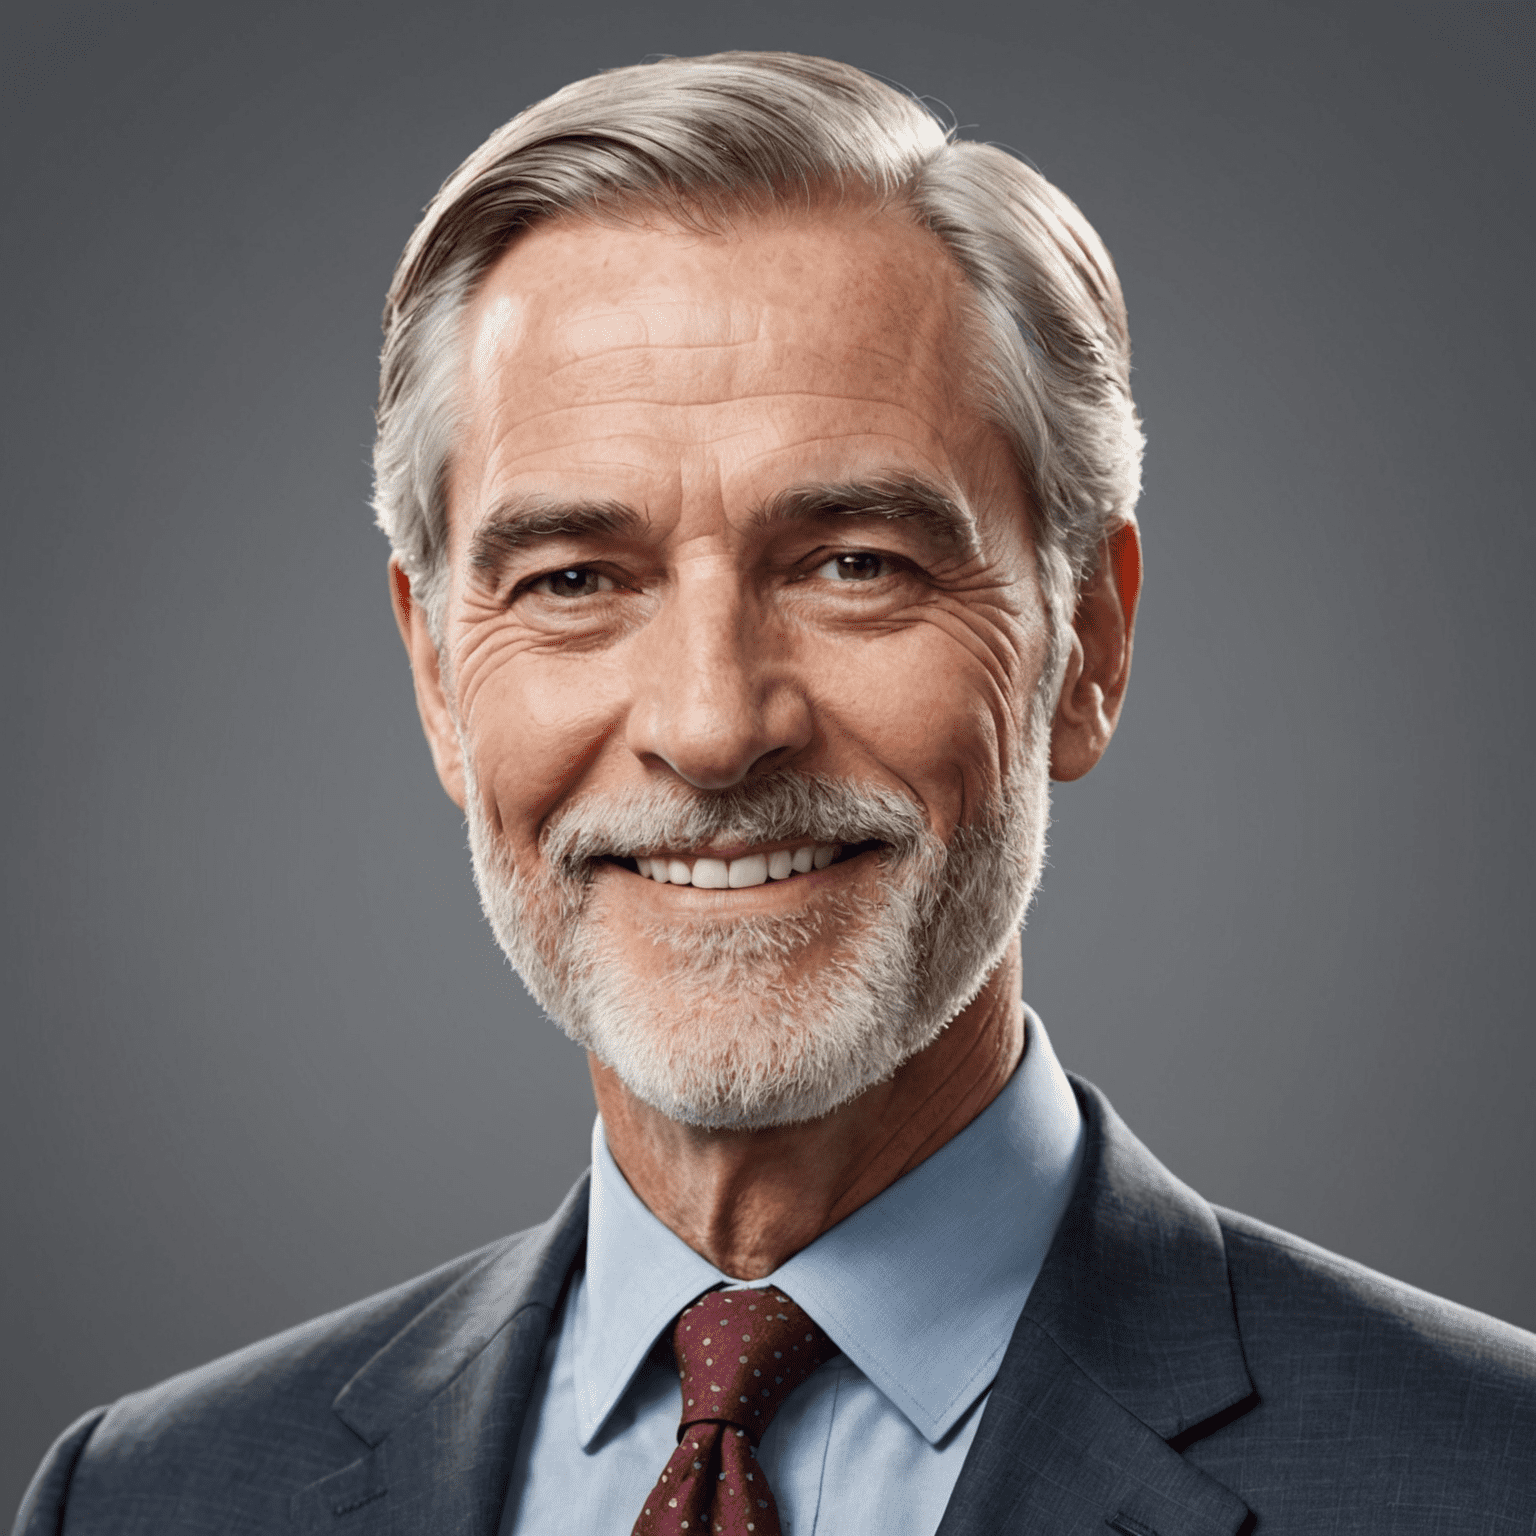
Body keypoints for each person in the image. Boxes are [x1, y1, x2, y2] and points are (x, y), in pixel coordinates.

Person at [14, 50, 1534, 1536]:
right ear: (434, 677)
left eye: (854, 564)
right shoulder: (151, 1496)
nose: (711, 724)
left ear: (1090, 641)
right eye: (573, 579)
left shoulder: (1487, 1476)